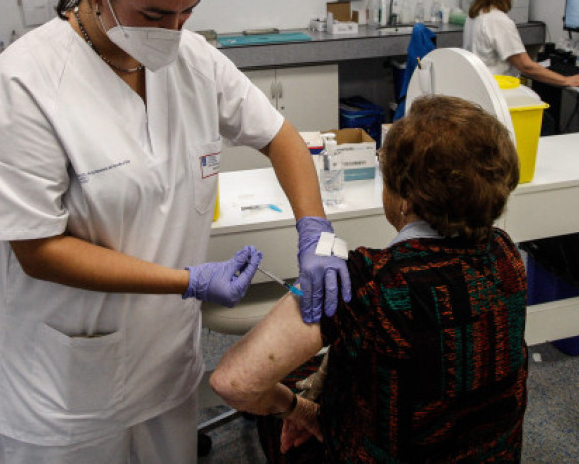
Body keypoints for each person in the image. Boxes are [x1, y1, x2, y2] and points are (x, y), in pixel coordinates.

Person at [0, 0, 348, 462]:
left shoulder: (192, 60)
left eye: (187, 11)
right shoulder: (24, 84)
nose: (172, 32)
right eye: (153, 13)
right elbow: (38, 249)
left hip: (165, 365)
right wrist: (189, 281)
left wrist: (315, 230)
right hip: (65, 381)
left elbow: (281, 138)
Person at [211, 95, 529, 463]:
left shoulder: (372, 281)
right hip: (491, 455)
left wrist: (300, 410)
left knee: (286, 390)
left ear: (406, 198)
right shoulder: (505, 254)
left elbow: (233, 382)